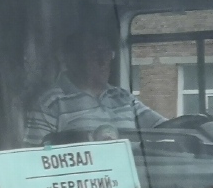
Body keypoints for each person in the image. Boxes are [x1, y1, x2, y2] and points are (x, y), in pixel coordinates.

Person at [24, 26, 165, 146]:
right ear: (72, 59)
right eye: (94, 53)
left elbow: (164, 129)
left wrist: (185, 125)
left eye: (107, 53)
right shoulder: (51, 103)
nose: (103, 61)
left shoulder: (123, 98)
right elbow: (34, 155)